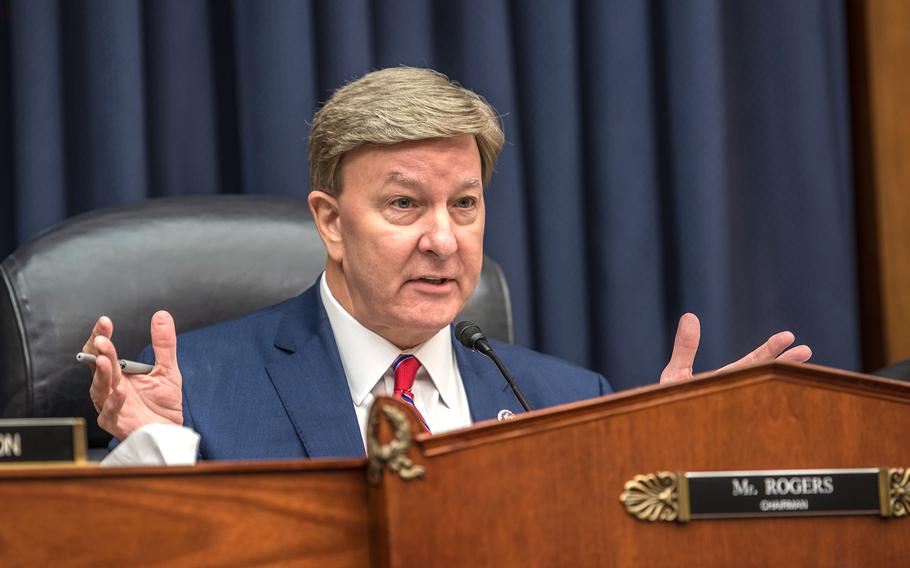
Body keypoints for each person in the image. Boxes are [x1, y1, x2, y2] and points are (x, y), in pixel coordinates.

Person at [81, 67, 811, 462]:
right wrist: (158, 450)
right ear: (330, 222)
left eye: (464, 204)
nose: (444, 239)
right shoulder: (196, 390)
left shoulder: (567, 400)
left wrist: (654, 467)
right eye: (404, 206)